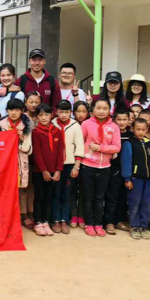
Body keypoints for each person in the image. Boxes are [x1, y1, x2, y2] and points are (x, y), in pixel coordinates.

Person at [80, 99, 121, 237]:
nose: (101, 111)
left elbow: (117, 147)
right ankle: (89, 223)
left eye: (105, 108)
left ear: (110, 110)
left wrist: (99, 148)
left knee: (99, 197)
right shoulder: (86, 124)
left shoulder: (114, 127)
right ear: (93, 109)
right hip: (87, 166)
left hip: (104, 167)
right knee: (88, 197)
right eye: (98, 108)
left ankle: (98, 223)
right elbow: (81, 143)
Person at [122, 118, 150, 240]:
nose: (141, 132)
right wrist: (127, 178)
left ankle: (144, 226)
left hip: (148, 179)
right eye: (138, 129)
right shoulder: (129, 144)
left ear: (147, 129)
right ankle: (134, 226)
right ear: (132, 129)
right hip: (135, 179)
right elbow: (126, 162)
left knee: (146, 203)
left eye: (143, 129)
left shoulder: (149, 143)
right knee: (135, 203)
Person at [0, 99, 33, 228]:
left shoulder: (27, 125)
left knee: (22, 189)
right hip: (5, 162)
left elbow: (29, 150)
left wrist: (21, 139)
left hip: (20, 160)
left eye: (17, 110)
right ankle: (6, 215)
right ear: (7, 111)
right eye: (11, 110)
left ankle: (23, 215)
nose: (14, 113)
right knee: (5, 190)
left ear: (22, 111)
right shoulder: (0, 124)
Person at [31, 104, 64, 237]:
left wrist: (58, 170)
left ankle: (46, 222)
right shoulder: (36, 132)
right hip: (39, 172)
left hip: (53, 171)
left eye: (46, 114)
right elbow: (37, 154)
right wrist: (44, 170)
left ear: (52, 115)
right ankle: (38, 222)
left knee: (48, 197)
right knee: (39, 196)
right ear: (37, 117)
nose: (44, 117)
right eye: (40, 115)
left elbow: (60, 152)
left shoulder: (57, 131)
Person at [51, 100, 84, 234]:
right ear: (56, 112)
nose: (64, 115)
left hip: (69, 164)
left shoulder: (75, 126)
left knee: (66, 193)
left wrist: (77, 166)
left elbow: (79, 146)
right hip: (54, 166)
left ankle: (64, 219)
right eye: (61, 112)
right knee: (55, 193)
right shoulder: (52, 124)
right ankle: (55, 219)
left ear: (70, 112)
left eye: (66, 112)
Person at [104, 109, 133, 235]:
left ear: (129, 120)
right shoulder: (110, 133)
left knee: (123, 196)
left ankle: (119, 220)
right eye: (119, 119)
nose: (122, 122)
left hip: (127, 170)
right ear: (114, 120)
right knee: (112, 196)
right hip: (113, 168)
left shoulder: (131, 135)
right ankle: (109, 221)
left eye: (124, 119)